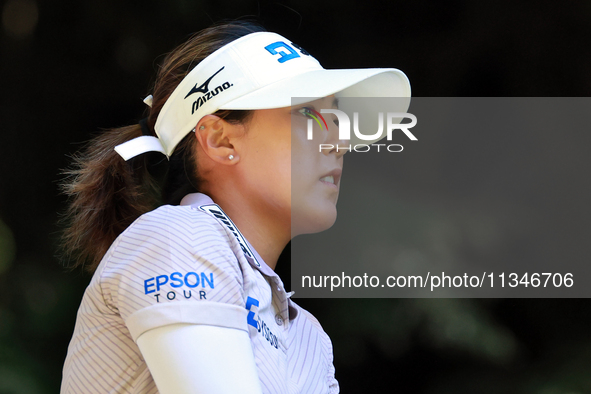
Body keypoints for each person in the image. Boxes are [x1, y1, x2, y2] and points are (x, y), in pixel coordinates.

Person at [59, 20, 410, 394]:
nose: (338, 140)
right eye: (307, 113)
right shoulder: (179, 236)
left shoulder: (308, 338)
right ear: (220, 139)